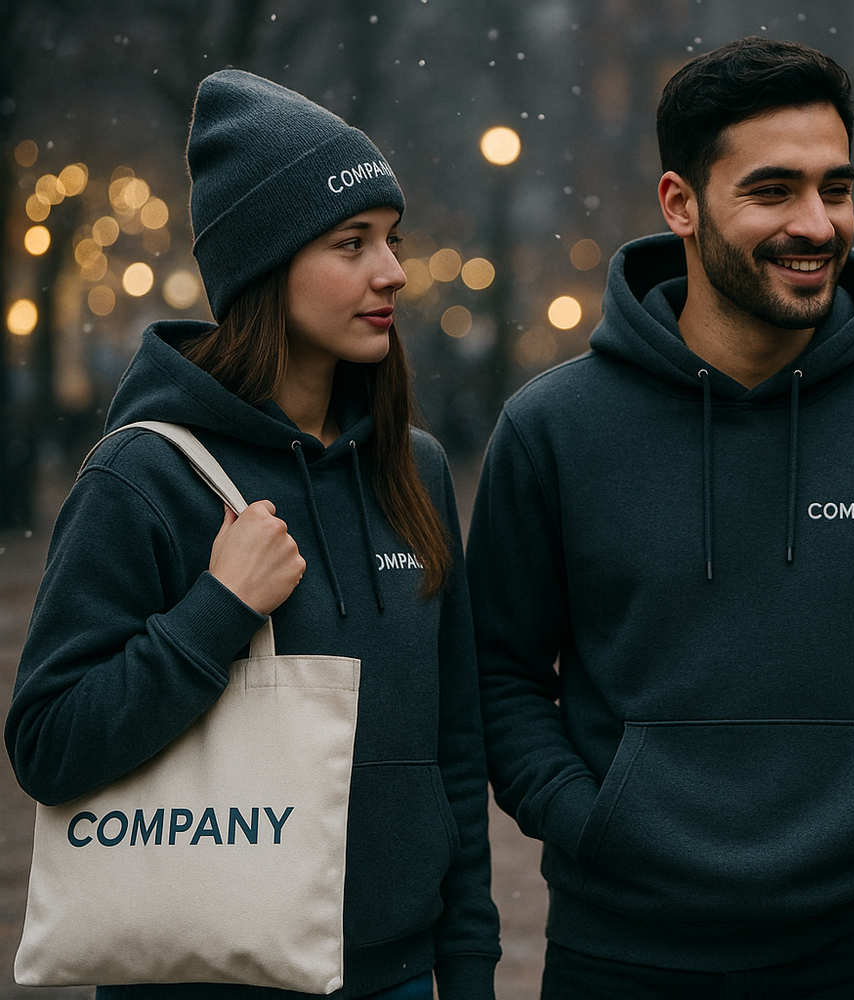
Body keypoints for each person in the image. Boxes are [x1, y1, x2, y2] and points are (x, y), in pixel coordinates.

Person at [467, 36, 854, 999]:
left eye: (834, 188)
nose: (817, 223)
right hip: (616, 952)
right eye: (773, 190)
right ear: (681, 203)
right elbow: (501, 676)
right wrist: (591, 825)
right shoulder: (553, 428)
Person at [5, 70, 501, 999]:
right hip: (207, 974)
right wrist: (215, 612)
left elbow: (454, 747)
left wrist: (466, 966)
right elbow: (48, 743)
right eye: (352, 244)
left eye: (392, 242)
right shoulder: (144, 475)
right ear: (264, 267)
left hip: (398, 975)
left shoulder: (413, 467)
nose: (391, 272)